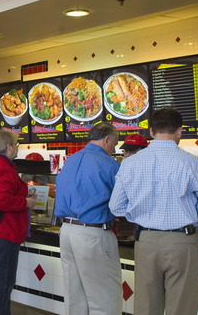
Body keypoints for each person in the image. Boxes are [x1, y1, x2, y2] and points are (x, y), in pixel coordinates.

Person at [110, 108, 198, 315]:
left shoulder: (130, 163)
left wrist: (139, 211)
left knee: (146, 308)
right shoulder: (192, 163)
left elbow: (116, 206)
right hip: (183, 242)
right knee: (181, 308)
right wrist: (191, 208)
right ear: (180, 132)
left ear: (151, 132)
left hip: (145, 240)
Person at [54, 123, 122, 315]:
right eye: (114, 144)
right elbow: (121, 201)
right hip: (93, 233)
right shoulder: (109, 164)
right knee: (104, 298)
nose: (114, 149)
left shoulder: (71, 160)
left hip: (67, 232)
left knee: (75, 298)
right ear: (107, 140)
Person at [0, 130, 36, 315]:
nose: (17, 147)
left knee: (0, 279)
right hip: (4, 231)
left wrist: (23, 195)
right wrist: (25, 202)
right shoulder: (3, 167)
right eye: (16, 144)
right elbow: (1, 200)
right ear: (9, 147)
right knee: (2, 280)